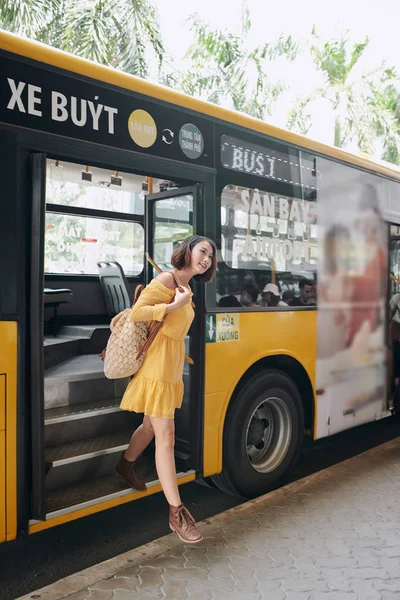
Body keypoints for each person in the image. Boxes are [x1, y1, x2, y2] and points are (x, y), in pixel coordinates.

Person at [116, 235, 217, 544]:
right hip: (157, 369)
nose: (207, 259)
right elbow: (136, 313)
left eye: (211, 256)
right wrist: (174, 304)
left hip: (170, 368)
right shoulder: (166, 279)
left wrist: (181, 303)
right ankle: (177, 513)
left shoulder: (187, 287)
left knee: (149, 425)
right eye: (203, 251)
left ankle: (125, 465)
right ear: (187, 251)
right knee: (167, 437)